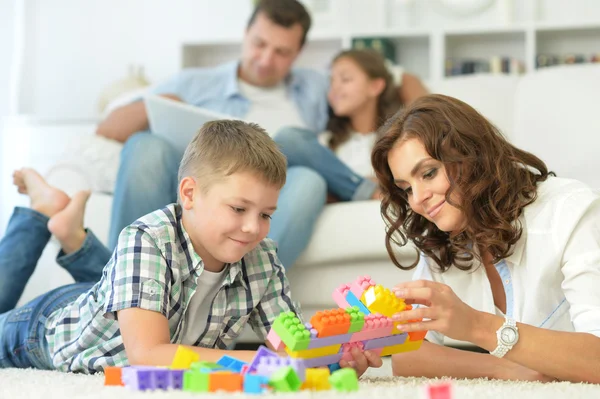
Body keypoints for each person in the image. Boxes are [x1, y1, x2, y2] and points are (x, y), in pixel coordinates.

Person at [0, 120, 382, 375]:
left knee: (113, 294)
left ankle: (71, 234)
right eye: (238, 208)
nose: (253, 228)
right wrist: (261, 364)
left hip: (118, 304)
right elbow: (148, 355)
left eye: (266, 214)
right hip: (43, 330)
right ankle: (42, 215)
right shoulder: (146, 238)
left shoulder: (261, 256)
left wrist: (336, 360)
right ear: (190, 194)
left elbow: (291, 348)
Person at [370, 94, 600, 383]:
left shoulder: (569, 212)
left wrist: (478, 327)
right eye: (406, 188)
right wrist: (505, 369)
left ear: (471, 155)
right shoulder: (447, 235)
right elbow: (408, 354)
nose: (418, 199)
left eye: (429, 173)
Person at [97, 0, 329, 268]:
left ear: (299, 52)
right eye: (259, 44)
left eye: (281, 52)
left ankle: (242, 288)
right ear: (245, 34)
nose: (266, 60)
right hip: (203, 184)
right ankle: (126, 277)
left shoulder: (315, 90)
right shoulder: (195, 83)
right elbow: (108, 127)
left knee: (310, 182)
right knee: (146, 147)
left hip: (269, 193)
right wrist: (163, 102)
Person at [274, 49, 427, 202]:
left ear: (375, 87)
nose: (334, 89)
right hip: (340, 218)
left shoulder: (399, 136)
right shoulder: (326, 142)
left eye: (345, 79)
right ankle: (367, 191)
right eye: (331, 82)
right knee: (287, 140)